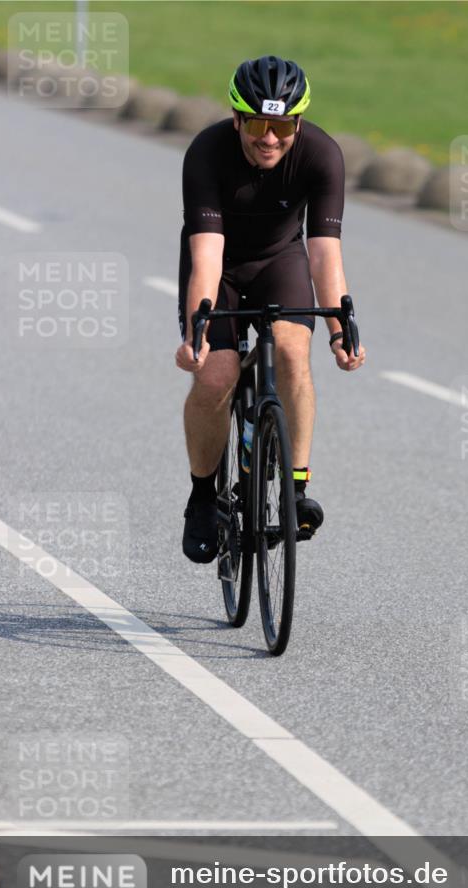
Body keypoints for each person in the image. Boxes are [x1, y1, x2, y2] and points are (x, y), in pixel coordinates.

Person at [176, 55, 366, 564]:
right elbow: (207, 256)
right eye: (257, 123)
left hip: (280, 259)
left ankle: (296, 489)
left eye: (281, 125)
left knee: (290, 351)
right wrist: (198, 333)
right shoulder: (207, 153)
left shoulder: (322, 154)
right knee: (215, 377)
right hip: (220, 266)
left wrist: (338, 328)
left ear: (297, 122)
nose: (269, 138)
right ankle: (201, 497)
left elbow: (326, 252)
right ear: (236, 118)